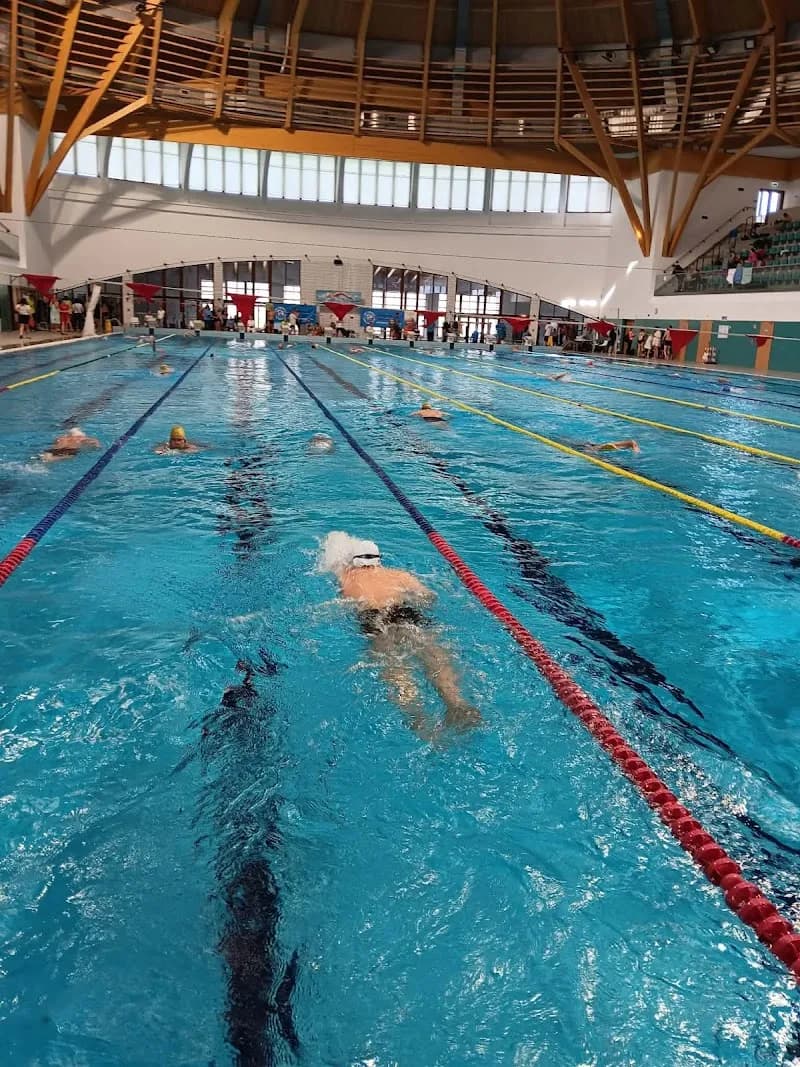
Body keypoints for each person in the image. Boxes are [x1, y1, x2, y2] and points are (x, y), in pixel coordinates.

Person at [319, 531, 480, 735]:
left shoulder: (346, 578)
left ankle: (421, 722)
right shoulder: (399, 575)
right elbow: (428, 597)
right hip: (405, 613)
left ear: (353, 561)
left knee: (396, 670)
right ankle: (457, 703)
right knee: (434, 656)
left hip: (374, 618)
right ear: (379, 561)